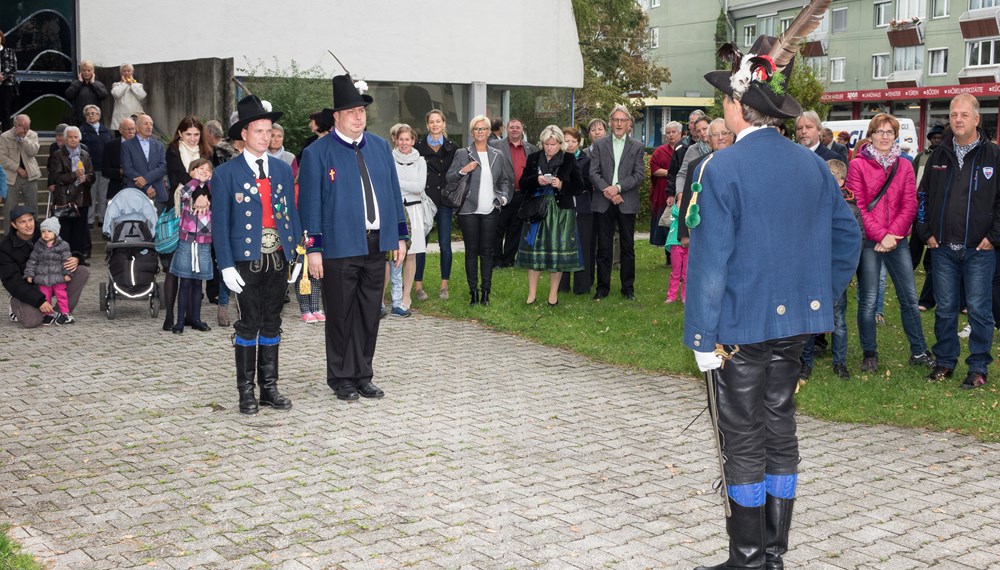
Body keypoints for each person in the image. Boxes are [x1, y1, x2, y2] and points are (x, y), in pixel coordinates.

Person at [688, 34, 861, 570]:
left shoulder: (722, 168)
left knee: (742, 438)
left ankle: (748, 559)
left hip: (741, 326)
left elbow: (712, 260)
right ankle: (772, 555)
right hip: (797, 325)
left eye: (725, 98)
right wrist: (820, 294)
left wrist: (701, 335)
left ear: (739, 106)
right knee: (779, 426)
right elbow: (847, 237)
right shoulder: (811, 164)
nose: (722, 106)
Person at [299, 74, 408, 402]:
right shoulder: (318, 153)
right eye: (351, 112)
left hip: (376, 244)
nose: (359, 116)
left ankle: (363, 374)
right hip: (338, 247)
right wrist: (313, 249)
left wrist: (399, 236)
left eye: (361, 110)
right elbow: (310, 203)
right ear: (337, 117)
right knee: (341, 314)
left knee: (369, 312)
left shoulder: (378, 147)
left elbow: (392, 193)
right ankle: (341, 377)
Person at [213, 95, 301, 414]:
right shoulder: (226, 174)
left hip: (277, 257)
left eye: (269, 130)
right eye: (259, 131)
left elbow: (290, 212)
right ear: (244, 135)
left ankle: (269, 388)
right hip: (244, 261)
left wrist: (298, 252)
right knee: (248, 323)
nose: (265, 136)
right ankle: (245, 391)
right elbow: (220, 225)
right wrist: (224, 265)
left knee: (272, 323)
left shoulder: (280, 169)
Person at [916, 93, 1000, 390]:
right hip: (943, 250)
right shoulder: (938, 155)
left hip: (979, 250)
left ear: (977, 119)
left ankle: (977, 368)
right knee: (946, 309)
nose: (958, 120)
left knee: (979, 310)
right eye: (953, 115)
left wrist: (993, 237)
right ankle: (945, 362)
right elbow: (922, 196)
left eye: (964, 115)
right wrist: (925, 231)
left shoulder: (993, 155)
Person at [848, 113, 933, 373]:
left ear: (895, 136)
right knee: (869, 300)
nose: (884, 136)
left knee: (908, 297)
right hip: (870, 242)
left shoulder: (905, 165)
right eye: (879, 131)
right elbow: (858, 207)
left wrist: (893, 235)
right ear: (870, 135)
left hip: (897, 241)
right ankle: (869, 353)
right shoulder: (858, 165)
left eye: (889, 132)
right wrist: (879, 235)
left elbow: (910, 204)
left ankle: (918, 351)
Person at [516, 125, 583, 306]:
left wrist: (561, 185)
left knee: (557, 253)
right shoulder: (533, 158)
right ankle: (532, 294)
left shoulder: (568, 159)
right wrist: (535, 181)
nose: (549, 147)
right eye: (546, 144)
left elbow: (579, 186)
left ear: (560, 144)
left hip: (560, 212)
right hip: (536, 210)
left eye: (553, 144)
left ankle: (553, 295)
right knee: (534, 252)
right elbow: (522, 183)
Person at [447, 115, 510, 306]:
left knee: (488, 251)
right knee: (471, 251)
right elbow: (450, 178)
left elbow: (505, 180)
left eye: (483, 129)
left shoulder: (497, 154)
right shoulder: (462, 153)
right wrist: (463, 170)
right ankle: (473, 293)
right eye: (476, 129)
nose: (480, 132)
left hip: (491, 209)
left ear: (489, 131)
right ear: (472, 132)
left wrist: (503, 198)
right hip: (468, 210)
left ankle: (486, 294)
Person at [589, 104, 645, 301]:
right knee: (603, 247)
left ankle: (627, 288)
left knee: (627, 247)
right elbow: (593, 173)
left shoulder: (637, 146)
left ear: (629, 123)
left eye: (623, 120)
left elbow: (639, 175)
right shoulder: (599, 144)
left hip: (626, 200)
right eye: (616, 120)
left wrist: (618, 188)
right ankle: (602, 288)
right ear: (610, 122)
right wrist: (609, 191)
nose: (619, 123)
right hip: (603, 201)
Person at [1, 205, 90, 328]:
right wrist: (39, 301)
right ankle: (15, 303)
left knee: (81, 271)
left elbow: (64, 247)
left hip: (51, 278)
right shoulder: (5, 247)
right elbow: (12, 281)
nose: (28, 225)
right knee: (32, 321)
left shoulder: (45, 230)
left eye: (30, 220)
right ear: (14, 225)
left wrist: (76, 258)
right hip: (28, 287)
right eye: (22, 222)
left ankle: (60, 312)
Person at [413, 109, 458, 301]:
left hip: (445, 202)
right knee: (420, 244)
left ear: (444, 123)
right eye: (431, 122)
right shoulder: (418, 147)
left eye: (438, 121)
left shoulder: (453, 147)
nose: (435, 125)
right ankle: (418, 286)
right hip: (425, 201)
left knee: (445, 244)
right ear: (427, 125)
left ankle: (444, 286)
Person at [169, 159, 214, 334]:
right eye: (200, 169)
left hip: (204, 241)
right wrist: (195, 179)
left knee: (198, 283)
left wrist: (207, 183)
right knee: (184, 281)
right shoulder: (186, 187)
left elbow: (217, 193)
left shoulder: (212, 189)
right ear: (192, 171)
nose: (204, 171)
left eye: (208, 170)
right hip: (187, 240)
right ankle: (180, 320)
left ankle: (196, 318)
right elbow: (185, 193)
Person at [391, 123, 429, 316]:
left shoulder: (420, 161)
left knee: (411, 254)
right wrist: (405, 185)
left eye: (408, 139)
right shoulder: (389, 158)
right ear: (395, 140)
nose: (404, 143)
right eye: (401, 139)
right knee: (389, 255)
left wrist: (398, 183)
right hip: (394, 209)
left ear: (413, 140)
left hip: (414, 210)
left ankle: (406, 294)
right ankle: (383, 296)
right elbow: (388, 184)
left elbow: (419, 187)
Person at [827, 158, 860, 381]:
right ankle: (805, 362)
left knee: (838, 319)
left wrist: (844, 272)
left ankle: (840, 362)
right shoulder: (811, 205)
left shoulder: (850, 210)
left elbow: (855, 242)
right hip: (815, 270)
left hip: (837, 272)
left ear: (840, 182)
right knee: (811, 321)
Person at [491, 118, 537, 268]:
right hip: (502, 194)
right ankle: (496, 260)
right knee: (498, 228)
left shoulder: (531, 149)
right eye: (512, 127)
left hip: (521, 195)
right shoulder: (495, 146)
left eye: (518, 127)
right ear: (506, 129)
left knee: (515, 230)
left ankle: (509, 260)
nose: (515, 129)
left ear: (522, 129)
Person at [911, 124, 945, 310]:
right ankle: (910, 269)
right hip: (920, 202)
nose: (937, 141)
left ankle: (929, 267)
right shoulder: (921, 156)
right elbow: (914, 176)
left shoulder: (946, 156)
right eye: (935, 138)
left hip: (937, 207)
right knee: (915, 243)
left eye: (941, 137)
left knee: (934, 248)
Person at [557, 127, 595, 295]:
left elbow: (587, 183)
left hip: (583, 207)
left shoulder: (587, 160)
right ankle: (562, 284)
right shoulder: (558, 159)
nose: (570, 144)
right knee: (563, 246)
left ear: (579, 143)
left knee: (584, 246)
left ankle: (582, 286)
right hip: (563, 207)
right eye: (567, 141)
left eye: (574, 141)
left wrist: (569, 184)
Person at [50, 126, 95, 257]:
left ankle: (79, 257)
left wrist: (85, 178)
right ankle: (65, 258)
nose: (73, 139)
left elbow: (92, 175)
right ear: (65, 139)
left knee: (80, 231)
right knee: (66, 231)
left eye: (76, 137)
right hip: (65, 199)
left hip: (82, 198)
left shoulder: (85, 154)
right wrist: (75, 175)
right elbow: (57, 178)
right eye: (70, 137)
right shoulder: (58, 155)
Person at [23, 217, 74, 325]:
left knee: (62, 296)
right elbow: (32, 261)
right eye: (43, 231)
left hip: (58, 278)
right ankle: (48, 314)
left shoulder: (63, 246)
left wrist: (68, 273)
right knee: (45, 297)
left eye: (49, 231)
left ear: (55, 232)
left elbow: (67, 261)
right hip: (43, 278)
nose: (46, 234)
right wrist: (29, 274)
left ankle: (65, 313)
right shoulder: (38, 246)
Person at [1, 115, 41, 231]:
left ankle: (34, 237)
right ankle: (9, 239)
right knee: (9, 209)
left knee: (32, 207)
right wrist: (17, 168)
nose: (26, 130)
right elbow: (2, 158)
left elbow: (34, 151)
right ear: (16, 125)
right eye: (24, 127)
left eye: (28, 127)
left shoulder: (32, 135)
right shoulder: (5, 136)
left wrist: (23, 138)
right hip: (11, 177)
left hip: (30, 176)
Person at [122, 114, 168, 211]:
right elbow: (128, 169)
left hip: (158, 192)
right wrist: (146, 187)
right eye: (146, 124)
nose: (149, 127)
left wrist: (146, 179)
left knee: (158, 224)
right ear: (137, 127)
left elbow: (163, 167)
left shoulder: (159, 145)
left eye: (151, 124)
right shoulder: (127, 145)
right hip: (136, 192)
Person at [80, 105, 112, 227]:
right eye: (88, 114)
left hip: (104, 168)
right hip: (90, 169)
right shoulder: (82, 130)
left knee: (103, 195)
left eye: (94, 113)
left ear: (99, 115)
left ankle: (102, 219)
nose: (91, 115)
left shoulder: (106, 130)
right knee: (91, 195)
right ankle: (90, 220)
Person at [648, 129, 676, 249]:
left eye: (673, 132)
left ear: (680, 133)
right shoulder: (660, 151)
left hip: (679, 188)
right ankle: (666, 252)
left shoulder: (684, 149)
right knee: (664, 221)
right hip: (662, 190)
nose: (670, 135)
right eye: (668, 132)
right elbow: (654, 168)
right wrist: (670, 172)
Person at [64, 60, 108, 127]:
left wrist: (93, 83)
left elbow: (104, 95)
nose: (86, 72)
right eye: (84, 70)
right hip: (79, 119)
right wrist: (79, 82)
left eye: (88, 70)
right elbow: (68, 95)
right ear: (81, 72)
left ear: (93, 71)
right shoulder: (76, 83)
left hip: (95, 119)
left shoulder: (98, 84)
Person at [103, 117, 135, 201]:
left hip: (137, 190)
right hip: (117, 189)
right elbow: (105, 170)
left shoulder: (142, 145)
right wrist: (120, 171)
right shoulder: (110, 146)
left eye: (133, 129)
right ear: (120, 130)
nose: (131, 132)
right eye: (128, 129)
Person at [110, 64, 146, 132]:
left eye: (128, 71)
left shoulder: (138, 85)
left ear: (132, 72)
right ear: (121, 73)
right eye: (124, 71)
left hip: (135, 117)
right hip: (120, 119)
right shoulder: (116, 85)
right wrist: (125, 83)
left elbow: (142, 96)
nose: (126, 73)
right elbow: (117, 94)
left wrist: (132, 84)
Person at [0, 31, 17, 132]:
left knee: (5, 111)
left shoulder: (9, 51)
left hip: (6, 85)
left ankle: (6, 136)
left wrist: (3, 75)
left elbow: (13, 66)